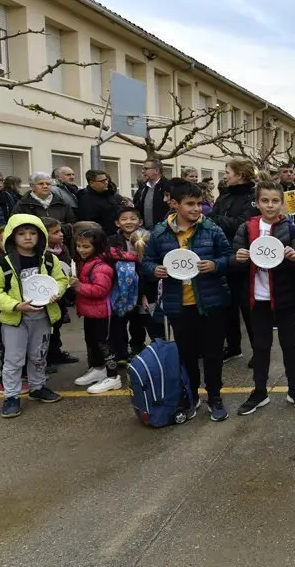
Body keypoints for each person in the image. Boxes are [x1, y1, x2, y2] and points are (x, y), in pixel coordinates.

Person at [142, 179, 233, 422]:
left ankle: (215, 396)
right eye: (190, 204)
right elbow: (147, 261)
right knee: (187, 354)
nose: (196, 209)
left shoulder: (212, 229)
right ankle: (191, 395)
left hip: (211, 303)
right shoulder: (160, 233)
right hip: (179, 305)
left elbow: (229, 257)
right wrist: (155, 270)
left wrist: (215, 265)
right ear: (174, 204)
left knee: (213, 354)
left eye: (199, 204)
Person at [232, 181, 295, 415]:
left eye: (275, 200)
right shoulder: (245, 230)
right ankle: (259, 391)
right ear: (257, 202)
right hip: (257, 298)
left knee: (289, 344)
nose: (270, 205)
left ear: (282, 203)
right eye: (265, 200)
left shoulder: (294, 231)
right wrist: (238, 257)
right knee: (261, 346)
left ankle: (294, 388)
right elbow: (233, 264)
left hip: (285, 298)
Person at [0, 214, 69, 417]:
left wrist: (56, 294)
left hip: (42, 317)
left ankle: (37, 387)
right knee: (14, 359)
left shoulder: (50, 260)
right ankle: (11, 396)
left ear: (40, 236)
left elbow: (60, 280)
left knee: (39, 355)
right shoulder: (0, 263)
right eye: (22, 233)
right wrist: (16, 305)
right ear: (11, 237)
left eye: (33, 233)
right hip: (15, 319)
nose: (27, 237)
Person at [209, 160, 259, 363]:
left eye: (228, 172)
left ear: (240, 174)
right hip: (223, 258)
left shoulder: (252, 198)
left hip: (244, 259)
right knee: (227, 306)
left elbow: (244, 224)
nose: (225, 176)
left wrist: (217, 220)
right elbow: (212, 217)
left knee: (248, 308)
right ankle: (233, 346)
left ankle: (258, 349)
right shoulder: (224, 196)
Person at [66, 227, 121, 394]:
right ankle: (98, 369)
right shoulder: (85, 261)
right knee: (91, 341)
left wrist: (79, 286)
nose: (81, 250)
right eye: (78, 246)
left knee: (104, 344)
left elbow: (100, 290)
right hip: (89, 311)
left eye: (86, 247)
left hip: (102, 313)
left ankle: (113, 377)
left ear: (97, 247)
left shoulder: (101, 266)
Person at [106, 208, 150, 364]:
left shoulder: (147, 238)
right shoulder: (112, 241)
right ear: (117, 223)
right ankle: (120, 353)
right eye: (124, 219)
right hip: (120, 288)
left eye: (133, 218)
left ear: (140, 222)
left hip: (141, 286)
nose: (129, 222)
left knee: (138, 320)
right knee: (119, 321)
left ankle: (138, 347)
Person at [39, 218, 78, 367]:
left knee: (57, 324)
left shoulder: (62, 249)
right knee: (44, 329)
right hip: (45, 296)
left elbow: (67, 266)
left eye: (60, 231)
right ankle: (43, 359)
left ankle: (56, 353)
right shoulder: (40, 253)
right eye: (55, 232)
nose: (61, 234)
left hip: (60, 292)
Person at [12, 172, 76, 238]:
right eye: (41, 184)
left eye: (48, 184)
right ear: (32, 186)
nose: (45, 186)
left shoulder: (62, 203)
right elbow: (15, 225)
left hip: (59, 241)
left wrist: (56, 231)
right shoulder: (22, 204)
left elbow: (72, 224)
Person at [76, 169, 125, 236]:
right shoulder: (86, 199)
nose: (106, 182)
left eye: (106, 179)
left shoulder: (109, 194)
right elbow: (88, 223)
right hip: (102, 237)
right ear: (91, 183)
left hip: (116, 234)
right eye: (102, 181)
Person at [132, 159, 169, 230]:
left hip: (163, 231)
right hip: (144, 231)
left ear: (157, 171)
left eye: (146, 169)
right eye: (142, 169)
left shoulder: (167, 186)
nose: (143, 171)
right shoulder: (143, 187)